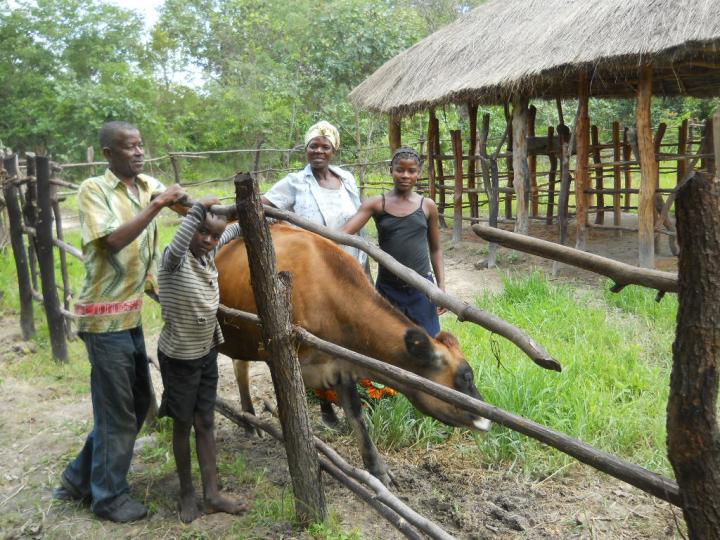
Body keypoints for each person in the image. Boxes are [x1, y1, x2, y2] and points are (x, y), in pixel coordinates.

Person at [53, 121, 187, 523]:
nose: (139, 153)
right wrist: (159, 205)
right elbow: (113, 241)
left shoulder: (148, 185)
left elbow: (192, 210)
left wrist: (226, 209)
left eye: (141, 145)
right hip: (101, 318)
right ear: (109, 153)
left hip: (129, 314)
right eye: (129, 147)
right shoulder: (93, 190)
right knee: (118, 410)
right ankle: (109, 497)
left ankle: (77, 481)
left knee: (133, 401)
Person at [156, 196, 246, 523]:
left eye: (212, 236)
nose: (208, 240)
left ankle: (212, 494)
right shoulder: (175, 259)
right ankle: (186, 493)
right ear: (191, 228)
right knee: (183, 425)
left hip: (207, 350)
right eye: (201, 233)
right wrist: (196, 209)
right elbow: (186, 238)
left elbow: (229, 232)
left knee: (205, 420)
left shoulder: (208, 253)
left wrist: (254, 214)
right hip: (180, 355)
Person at [341, 146, 446, 337]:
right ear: (391, 170)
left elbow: (436, 249)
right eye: (400, 170)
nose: (405, 175)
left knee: (429, 341)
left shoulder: (427, 206)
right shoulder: (376, 204)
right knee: (389, 341)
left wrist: (441, 288)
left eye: (411, 171)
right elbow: (343, 234)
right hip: (388, 288)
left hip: (422, 287)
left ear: (418, 173)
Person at [262, 120, 367, 267]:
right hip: (311, 264)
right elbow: (260, 205)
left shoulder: (346, 179)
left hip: (349, 260)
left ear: (333, 151)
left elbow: (357, 217)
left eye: (325, 147)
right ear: (306, 149)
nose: (318, 151)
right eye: (313, 146)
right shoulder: (294, 182)